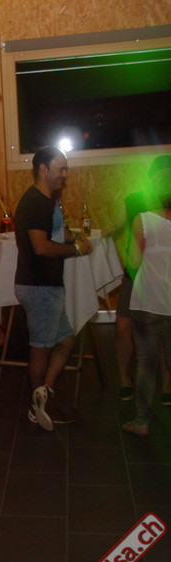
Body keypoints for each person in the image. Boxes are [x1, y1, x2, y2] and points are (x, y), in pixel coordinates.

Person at [13, 146, 92, 432]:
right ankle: (38, 408)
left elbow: (57, 234)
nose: (65, 174)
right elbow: (42, 247)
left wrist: (74, 238)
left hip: (45, 287)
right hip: (39, 287)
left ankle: (44, 393)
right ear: (43, 170)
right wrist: (76, 250)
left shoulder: (48, 201)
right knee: (41, 347)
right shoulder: (35, 203)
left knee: (66, 340)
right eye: (61, 169)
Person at [113, 155, 171, 404]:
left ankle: (167, 383)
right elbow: (115, 230)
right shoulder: (134, 201)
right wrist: (125, 257)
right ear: (151, 179)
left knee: (163, 330)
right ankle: (125, 379)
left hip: (164, 279)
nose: (164, 182)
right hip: (134, 275)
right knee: (123, 327)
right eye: (160, 177)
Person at [121, 181, 171, 435]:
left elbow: (133, 261)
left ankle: (142, 422)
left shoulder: (143, 221)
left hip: (149, 301)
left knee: (146, 363)